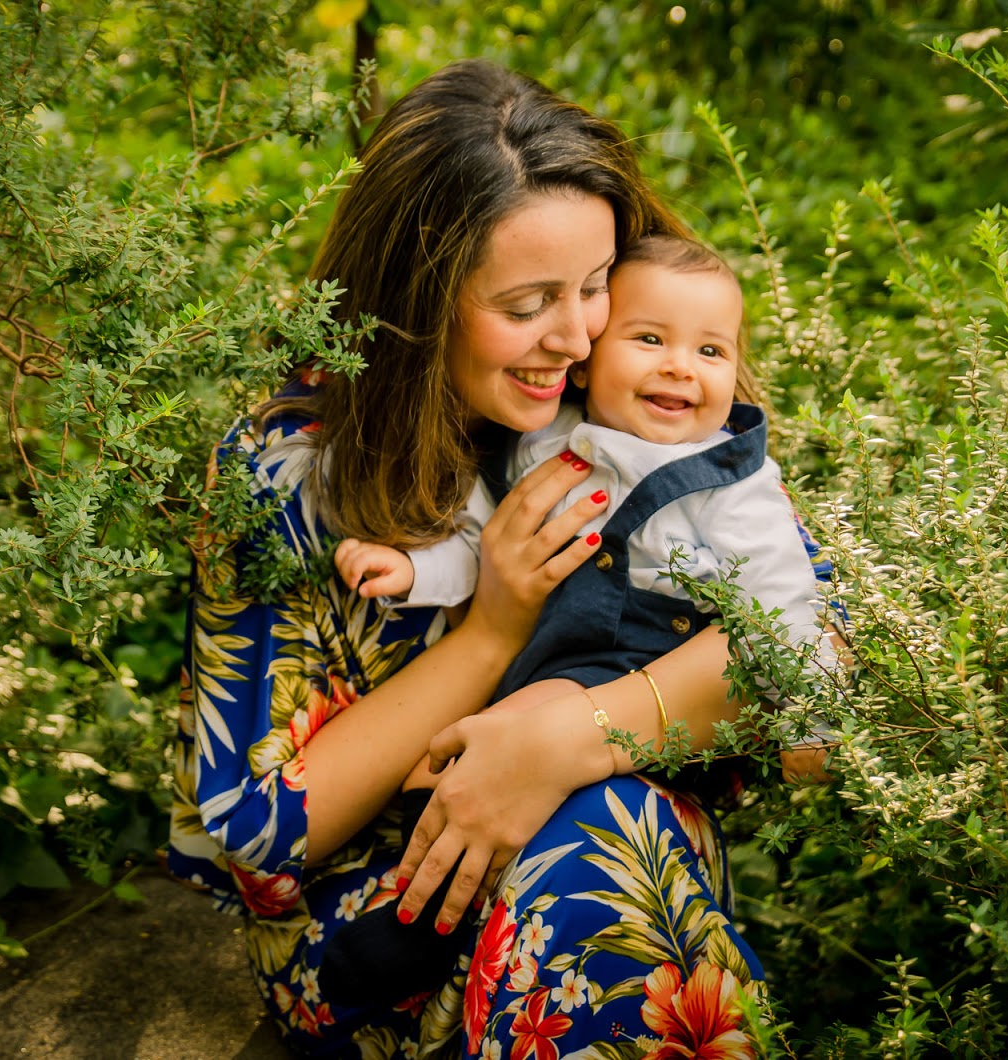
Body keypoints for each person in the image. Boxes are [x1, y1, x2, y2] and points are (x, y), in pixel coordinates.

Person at [167, 59, 833, 1058]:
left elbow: (808, 639)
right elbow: (261, 832)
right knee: (608, 840)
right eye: (526, 305)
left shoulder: (637, 412)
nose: (576, 337)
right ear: (416, 301)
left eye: (597, 287)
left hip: (603, 834)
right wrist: (493, 630)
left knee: (608, 821)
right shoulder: (290, 470)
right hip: (384, 930)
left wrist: (568, 739)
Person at [320, 233, 830, 1008]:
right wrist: (415, 571)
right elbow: (486, 544)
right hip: (554, 653)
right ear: (588, 360)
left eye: (711, 351)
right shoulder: (548, 443)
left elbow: (785, 597)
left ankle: (419, 932)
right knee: (436, 766)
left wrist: (808, 718)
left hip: (639, 660)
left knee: (491, 747)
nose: (680, 367)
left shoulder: (732, 482)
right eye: (650, 339)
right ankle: (450, 896)